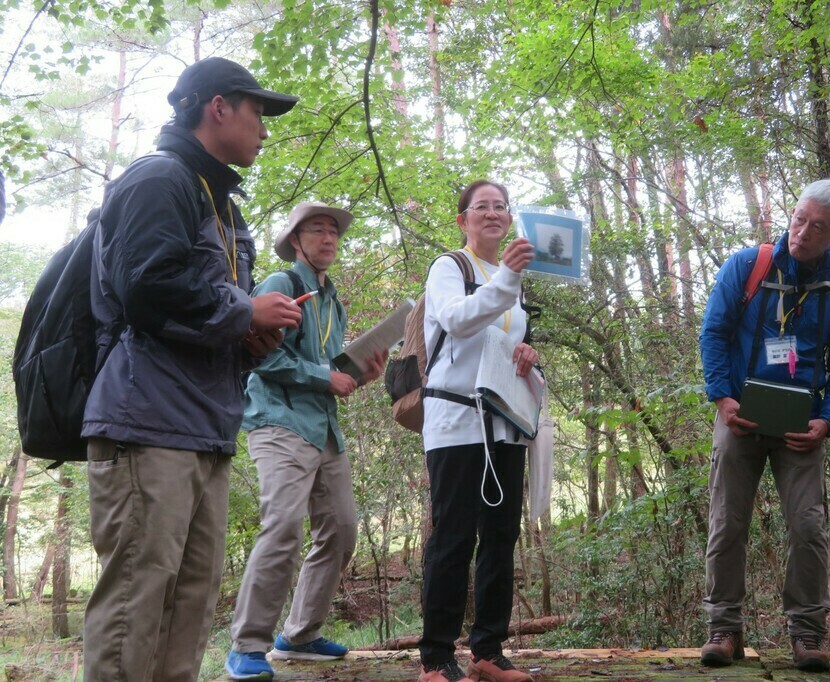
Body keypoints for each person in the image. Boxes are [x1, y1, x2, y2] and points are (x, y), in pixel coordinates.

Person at [82, 57, 302, 682]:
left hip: (207, 428)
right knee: (135, 604)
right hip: (146, 422)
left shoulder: (224, 208)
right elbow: (145, 288)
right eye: (259, 112)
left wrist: (250, 338)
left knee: (191, 603)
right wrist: (243, 309)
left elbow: (206, 313)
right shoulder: (160, 179)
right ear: (218, 107)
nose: (265, 128)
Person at [698, 180, 830, 672]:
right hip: (740, 414)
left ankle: (807, 634)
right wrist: (723, 397)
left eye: (818, 227)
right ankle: (724, 627)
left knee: (808, 525)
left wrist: (827, 420)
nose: (803, 232)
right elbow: (714, 331)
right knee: (728, 522)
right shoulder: (748, 266)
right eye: (799, 218)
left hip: (801, 425)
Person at [224, 201, 387, 680]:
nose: (328, 238)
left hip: (324, 427)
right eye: (317, 230)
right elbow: (260, 357)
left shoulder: (332, 300)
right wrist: (324, 377)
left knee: (341, 529)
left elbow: (330, 370)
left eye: (333, 232)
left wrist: (360, 373)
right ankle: (247, 646)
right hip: (279, 423)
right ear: (296, 241)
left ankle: (299, 634)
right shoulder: (281, 285)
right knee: (282, 529)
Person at [417, 180, 538, 682]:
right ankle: (437, 658)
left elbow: (502, 342)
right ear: (463, 220)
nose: (492, 214)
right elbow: (458, 320)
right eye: (481, 207)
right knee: (454, 537)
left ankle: (488, 651)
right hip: (455, 422)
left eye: (500, 207)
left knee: (500, 537)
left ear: (510, 220)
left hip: (503, 423)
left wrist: (527, 354)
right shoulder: (451, 267)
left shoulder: (511, 280)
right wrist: (507, 276)